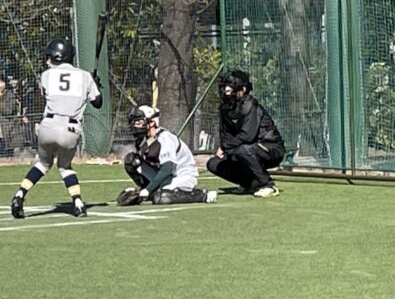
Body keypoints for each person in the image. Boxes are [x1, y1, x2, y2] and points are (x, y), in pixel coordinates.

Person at [10, 38, 103, 219]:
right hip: (70, 129)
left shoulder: (46, 75)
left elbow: (48, 94)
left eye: (49, 57)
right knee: (65, 167)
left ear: (58, 57)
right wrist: (95, 85)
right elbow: (98, 103)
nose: (47, 61)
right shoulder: (85, 76)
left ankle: (20, 194)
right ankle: (78, 203)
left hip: (48, 126)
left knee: (42, 163)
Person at [206, 69, 285, 197]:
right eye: (225, 86)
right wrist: (224, 149)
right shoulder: (225, 108)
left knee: (243, 150)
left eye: (231, 86)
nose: (227, 90)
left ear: (243, 89)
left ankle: (268, 185)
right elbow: (225, 134)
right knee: (214, 164)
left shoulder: (251, 106)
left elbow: (248, 136)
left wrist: (227, 147)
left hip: (270, 148)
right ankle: (250, 184)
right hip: (243, 148)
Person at [120, 105, 217, 205]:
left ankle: (202, 195)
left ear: (152, 123)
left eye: (139, 122)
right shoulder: (143, 139)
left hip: (182, 176)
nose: (135, 126)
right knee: (132, 161)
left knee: (162, 198)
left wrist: (148, 190)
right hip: (166, 176)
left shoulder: (165, 138)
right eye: (134, 123)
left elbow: (167, 168)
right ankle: (146, 190)